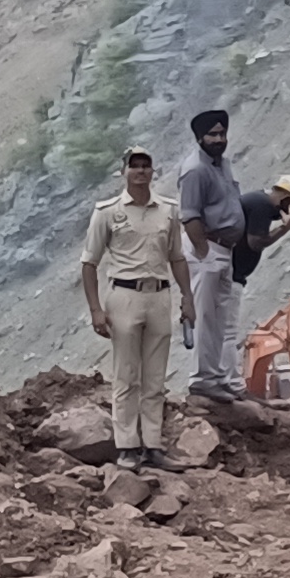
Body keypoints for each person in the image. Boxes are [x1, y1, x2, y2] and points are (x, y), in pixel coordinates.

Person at [78, 150, 187, 468]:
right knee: (127, 374)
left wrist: (188, 298)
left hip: (159, 295)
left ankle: (152, 444)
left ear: (153, 171)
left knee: (155, 376)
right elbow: (89, 262)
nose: (140, 171)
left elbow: (177, 257)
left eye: (145, 166)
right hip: (124, 296)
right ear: (123, 171)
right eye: (134, 166)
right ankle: (127, 445)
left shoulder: (168, 210)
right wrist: (96, 309)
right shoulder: (108, 212)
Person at [177, 109, 246, 401]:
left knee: (220, 317)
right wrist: (204, 254)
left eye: (222, 134)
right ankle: (202, 378)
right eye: (212, 134)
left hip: (224, 249)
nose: (218, 139)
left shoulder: (222, 166)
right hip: (206, 247)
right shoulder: (195, 170)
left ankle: (217, 376)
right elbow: (189, 215)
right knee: (205, 315)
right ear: (200, 138)